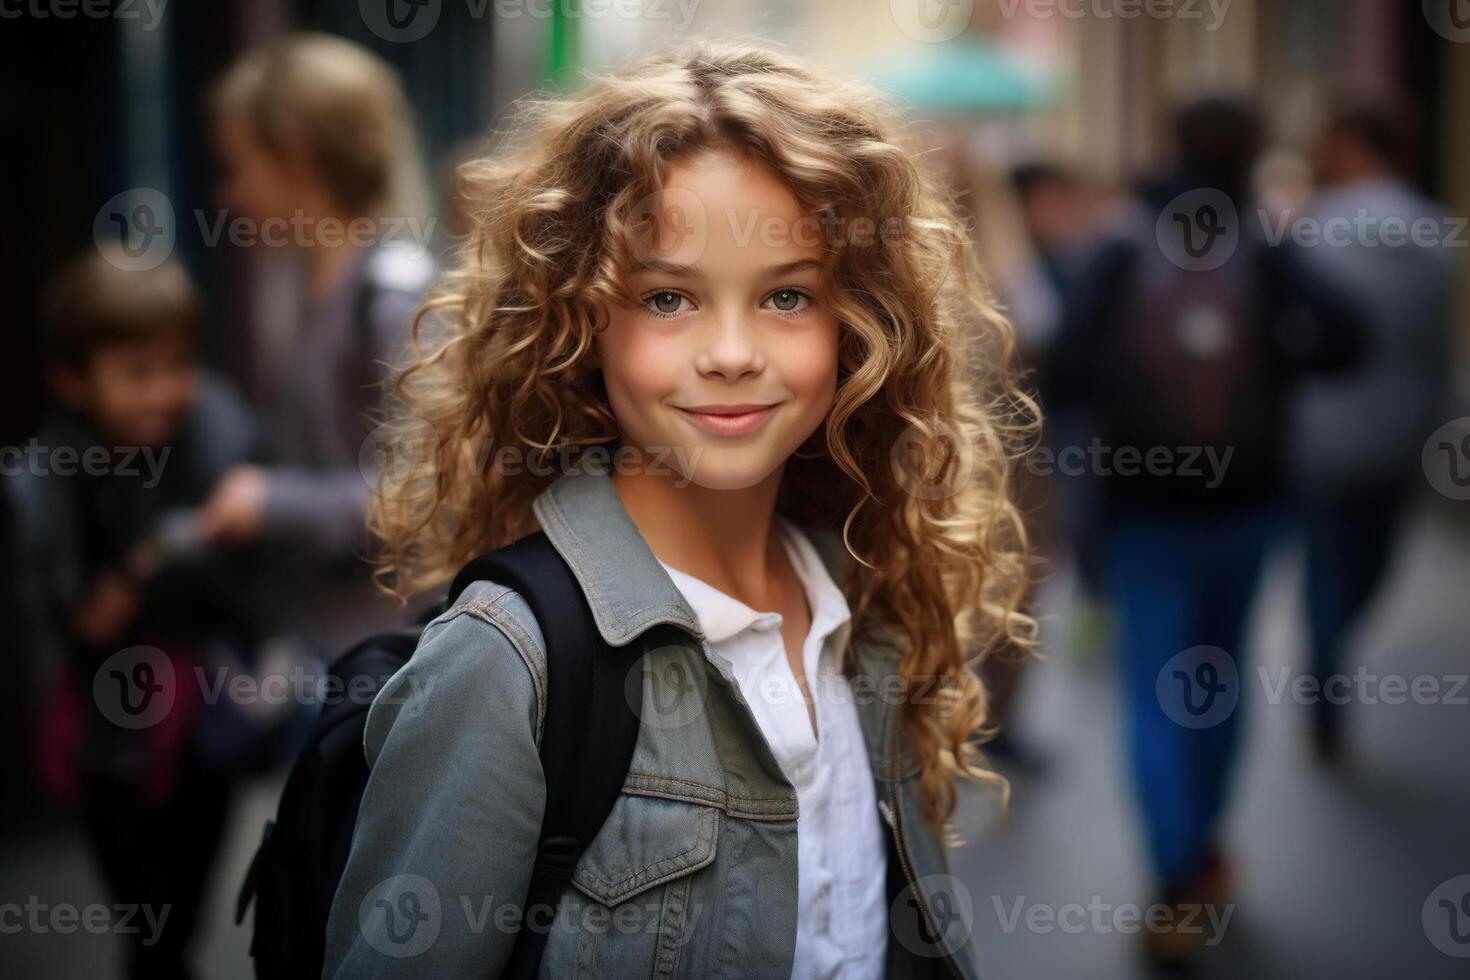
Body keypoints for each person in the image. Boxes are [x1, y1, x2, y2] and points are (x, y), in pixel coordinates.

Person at [322, 41, 1036, 978]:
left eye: (787, 294)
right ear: (579, 320)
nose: (732, 351)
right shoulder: (506, 663)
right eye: (668, 298)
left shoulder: (867, 598)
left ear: (860, 322)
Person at [1050, 96, 1364, 971]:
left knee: (1153, 694)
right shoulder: (1263, 245)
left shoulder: (1119, 245)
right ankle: (1209, 846)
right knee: (1222, 682)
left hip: (1143, 511)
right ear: (1255, 151)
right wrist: (1273, 360)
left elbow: (1062, 369)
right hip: (1248, 505)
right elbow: (1351, 339)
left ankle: (1174, 868)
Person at [8, 246, 262, 980]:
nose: (164, 392)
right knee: (148, 923)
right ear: (72, 379)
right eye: (137, 374)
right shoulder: (48, 480)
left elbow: (254, 558)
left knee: (184, 912)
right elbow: (81, 620)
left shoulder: (214, 427)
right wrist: (139, 568)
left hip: (207, 725)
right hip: (108, 740)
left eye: (177, 366)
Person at [200, 32, 436, 657]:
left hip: (388, 662)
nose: (230, 194)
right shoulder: (322, 290)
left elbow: (430, 491)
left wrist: (271, 504)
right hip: (335, 653)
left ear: (296, 156)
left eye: (237, 164)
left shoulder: (391, 296)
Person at [1287, 99, 1454, 762]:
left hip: (1317, 437)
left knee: (1327, 570)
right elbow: (1434, 348)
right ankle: (1331, 663)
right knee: (1370, 563)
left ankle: (1326, 673)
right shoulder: (1435, 232)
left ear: (1351, 144)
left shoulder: (1312, 228)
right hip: (1399, 434)